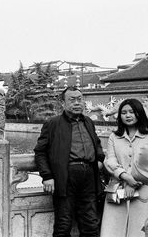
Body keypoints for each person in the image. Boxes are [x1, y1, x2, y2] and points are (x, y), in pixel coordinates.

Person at [34, 86, 104, 237]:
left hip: (89, 176)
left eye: (80, 99)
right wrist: (47, 176)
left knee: (91, 223)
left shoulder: (88, 122)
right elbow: (40, 152)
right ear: (63, 104)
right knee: (63, 223)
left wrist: (99, 159)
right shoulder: (53, 124)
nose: (77, 103)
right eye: (72, 100)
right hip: (65, 176)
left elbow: (97, 144)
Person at [100, 98, 148, 237]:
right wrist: (125, 176)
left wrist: (133, 183)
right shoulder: (114, 137)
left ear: (139, 113)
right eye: (124, 112)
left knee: (139, 231)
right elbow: (110, 160)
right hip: (117, 192)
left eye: (132, 112)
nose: (128, 115)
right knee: (113, 231)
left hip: (143, 192)